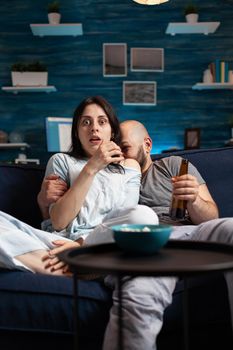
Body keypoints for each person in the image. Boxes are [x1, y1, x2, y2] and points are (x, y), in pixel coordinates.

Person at [38, 118, 233, 349]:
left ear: (147, 145)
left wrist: (194, 200)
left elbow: (213, 217)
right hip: (142, 246)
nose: (120, 153)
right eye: (115, 146)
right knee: (140, 293)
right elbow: (70, 220)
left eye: (126, 147)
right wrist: (43, 200)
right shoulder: (106, 176)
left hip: (190, 234)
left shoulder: (173, 165)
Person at [0, 96, 160, 276]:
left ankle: (69, 262)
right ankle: (70, 269)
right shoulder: (62, 161)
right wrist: (91, 167)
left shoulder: (129, 167)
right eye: (86, 122)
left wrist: (80, 244)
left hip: (101, 246)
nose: (94, 128)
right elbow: (59, 222)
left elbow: (127, 220)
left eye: (102, 121)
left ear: (112, 132)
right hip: (56, 243)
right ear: (76, 132)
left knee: (144, 216)